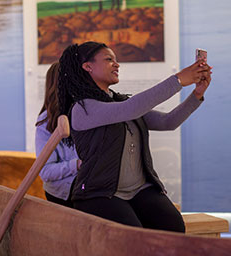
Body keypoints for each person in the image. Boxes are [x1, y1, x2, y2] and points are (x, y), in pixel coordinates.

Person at [57, 41, 212, 232]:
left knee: (174, 227)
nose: (117, 64)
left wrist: (197, 94)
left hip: (140, 190)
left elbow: (168, 122)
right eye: (108, 59)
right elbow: (129, 110)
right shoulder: (82, 109)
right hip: (100, 193)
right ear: (88, 66)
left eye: (115, 59)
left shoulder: (121, 102)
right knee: (133, 237)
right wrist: (178, 80)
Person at [35, 62, 81, 208]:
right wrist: (77, 164)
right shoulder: (46, 121)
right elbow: (45, 171)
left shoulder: (85, 111)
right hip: (63, 192)